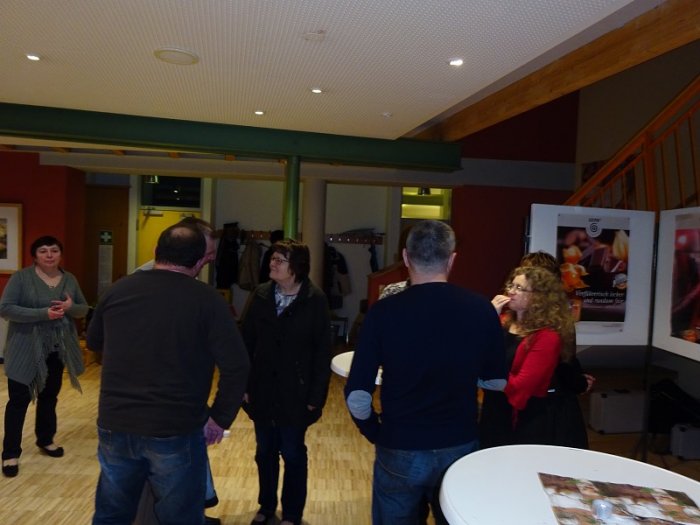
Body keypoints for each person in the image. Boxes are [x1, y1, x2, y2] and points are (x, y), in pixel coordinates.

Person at [345, 219, 506, 524]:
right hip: (459, 442)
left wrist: (374, 432)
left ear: (406, 258)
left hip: (400, 442)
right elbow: (496, 381)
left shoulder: (382, 313)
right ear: (452, 259)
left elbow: (357, 396)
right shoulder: (481, 309)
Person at [87, 223, 250, 525]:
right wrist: (219, 418)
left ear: (155, 251)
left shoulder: (117, 290)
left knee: (112, 515)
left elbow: (95, 342)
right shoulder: (207, 300)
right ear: (199, 261)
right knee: (180, 517)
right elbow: (237, 366)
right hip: (176, 427)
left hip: (116, 423)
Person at [241, 239, 332, 525]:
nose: (272, 263)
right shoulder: (261, 295)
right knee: (264, 452)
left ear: (297, 267)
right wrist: (244, 385)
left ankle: (292, 513)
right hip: (262, 390)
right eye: (272, 258)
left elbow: (322, 353)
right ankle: (266, 506)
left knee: (292, 453)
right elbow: (246, 344)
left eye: (280, 260)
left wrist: (316, 396)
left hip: (296, 393)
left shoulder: (315, 300)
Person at [0, 235, 88, 478]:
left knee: (49, 397)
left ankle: (46, 439)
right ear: (35, 256)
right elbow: (5, 308)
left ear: (60, 254)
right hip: (25, 349)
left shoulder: (69, 279)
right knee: (18, 401)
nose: (49, 255)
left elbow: (83, 309)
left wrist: (70, 308)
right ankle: (10, 453)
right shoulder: (21, 278)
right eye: (43, 251)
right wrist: (42, 314)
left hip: (56, 349)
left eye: (54, 250)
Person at [481, 265, 576, 447]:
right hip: (493, 408)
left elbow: (522, 386)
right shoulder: (501, 321)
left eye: (519, 288)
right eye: (511, 285)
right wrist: (488, 319)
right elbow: (476, 351)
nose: (511, 291)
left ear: (538, 297)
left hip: (524, 417)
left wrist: (487, 376)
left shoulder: (547, 336)